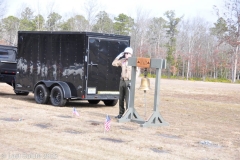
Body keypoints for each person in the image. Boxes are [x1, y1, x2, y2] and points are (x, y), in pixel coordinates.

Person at [112, 47, 133, 119]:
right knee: (121, 98)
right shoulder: (122, 61)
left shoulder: (133, 61)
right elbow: (113, 63)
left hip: (129, 81)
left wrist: (132, 82)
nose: (126, 55)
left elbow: (137, 72)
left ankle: (128, 115)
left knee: (128, 99)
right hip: (122, 81)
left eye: (127, 53)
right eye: (125, 53)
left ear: (131, 54)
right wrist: (119, 56)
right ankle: (121, 113)